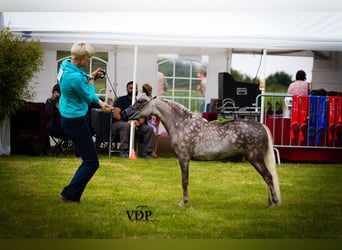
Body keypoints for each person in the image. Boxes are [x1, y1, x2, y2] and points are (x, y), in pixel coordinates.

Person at [57, 41, 113, 203]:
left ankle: (70, 194)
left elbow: (82, 82)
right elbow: (88, 97)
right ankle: (69, 195)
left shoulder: (64, 65)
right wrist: (92, 82)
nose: (90, 61)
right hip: (75, 120)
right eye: (89, 58)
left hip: (68, 116)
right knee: (91, 162)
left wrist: (90, 76)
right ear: (82, 57)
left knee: (88, 160)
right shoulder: (74, 78)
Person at [112, 81, 154, 159]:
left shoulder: (140, 101)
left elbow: (142, 116)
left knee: (149, 129)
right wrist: (128, 122)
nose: (133, 90)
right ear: (127, 89)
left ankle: (146, 152)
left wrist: (138, 123)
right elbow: (116, 115)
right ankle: (123, 151)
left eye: (135, 88)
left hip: (135, 125)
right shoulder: (120, 100)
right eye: (131, 88)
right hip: (120, 123)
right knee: (126, 126)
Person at [142, 83, 160, 158]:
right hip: (147, 120)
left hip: (152, 119)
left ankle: (154, 151)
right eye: (149, 90)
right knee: (154, 134)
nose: (151, 91)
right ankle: (151, 151)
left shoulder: (151, 98)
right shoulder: (143, 98)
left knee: (156, 135)